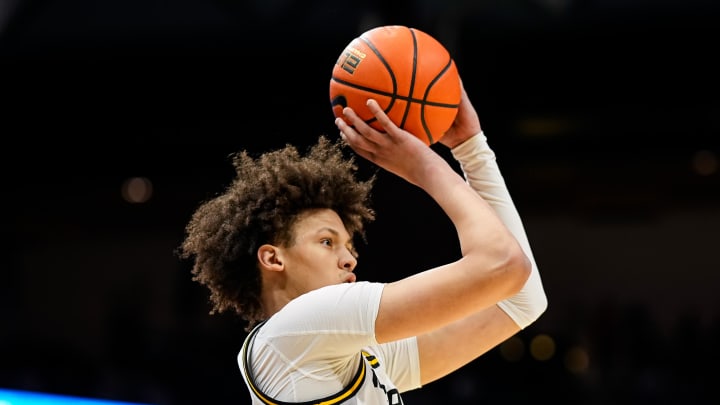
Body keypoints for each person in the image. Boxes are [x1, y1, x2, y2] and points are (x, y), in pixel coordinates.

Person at [178, 79, 547, 404]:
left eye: (349, 247)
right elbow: (503, 265)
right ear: (274, 259)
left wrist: (472, 149)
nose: (350, 259)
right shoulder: (301, 326)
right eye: (327, 242)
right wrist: (425, 166)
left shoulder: (345, 352)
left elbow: (521, 300)